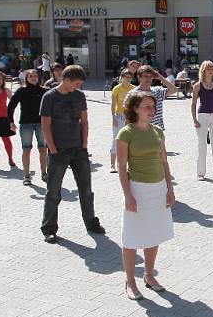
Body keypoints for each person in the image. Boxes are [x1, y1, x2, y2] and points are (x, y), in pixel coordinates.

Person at [116, 91, 175, 300]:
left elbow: (164, 162)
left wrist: (170, 189)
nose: (151, 110)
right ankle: (130, 281)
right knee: (131, 237)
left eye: (153, 106)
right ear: (134, 109)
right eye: (146, 107)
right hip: (137, 190)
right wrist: (128, 196)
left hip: (158, 190)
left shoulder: (158, 131)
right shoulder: (126, 133)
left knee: (154, 233)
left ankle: (149, 275)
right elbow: (122, 168)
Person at [39, 65, 105, 243]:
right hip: (58, 151)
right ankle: (49, 229)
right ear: (66, 80)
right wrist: (52, 149)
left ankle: (91, 223)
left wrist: (84, 145)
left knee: (86, 190)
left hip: (78, 150)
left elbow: (84, 121)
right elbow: (45, 125)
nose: (78, 86)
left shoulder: (79, 96)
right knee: (53, 192)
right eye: (76, 83)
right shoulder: (49, 96)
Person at [7, 69, 48, 185]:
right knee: (26, 149)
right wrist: (11, 122)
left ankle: (44, 173)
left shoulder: (44, 91)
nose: (33, 78)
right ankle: (26, 175)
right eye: (30, 76)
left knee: (43, 149)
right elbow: (11, 107)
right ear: (26, 78)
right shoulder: (21, 91)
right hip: (26, 124)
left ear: (38, 77)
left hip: (41, 124)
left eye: (35, 76)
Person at [190, 61, 213, 180]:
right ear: (203, 71)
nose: (210, 70)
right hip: (203, 115)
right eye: (208, 68)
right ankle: (200, 173)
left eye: (212, 68)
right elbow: (193, 104)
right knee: (202, 145)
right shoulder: (197, 85)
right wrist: (194, 119)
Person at [124, 66, 177, 131]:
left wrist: (161, 78)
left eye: (150, 76)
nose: (148, 79)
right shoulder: (132, 94)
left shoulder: (158, 91)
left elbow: (174, 90)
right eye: (146, 76)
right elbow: (127, 113)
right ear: (139, 77)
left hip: (157, 130)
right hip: (139, 130)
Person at [110, 69, 134, 173]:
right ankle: (112, 165)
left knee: (130, 141)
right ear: (122, 77)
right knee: (116, 139)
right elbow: (113, 104)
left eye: (130, 77)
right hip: (119, 116)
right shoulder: (117, 89)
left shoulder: (133, 89)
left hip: (130, 117)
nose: (128, 79)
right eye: (126, 77)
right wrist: (113, 118)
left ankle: (129, 165)